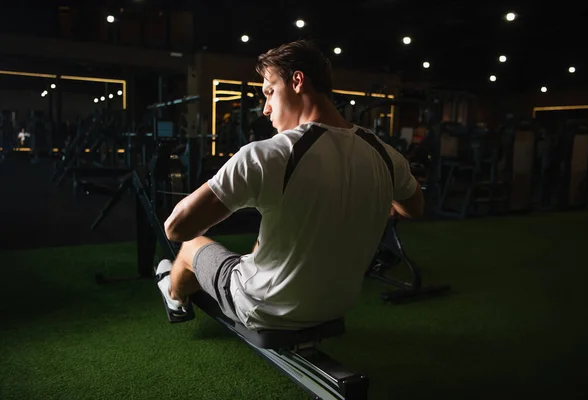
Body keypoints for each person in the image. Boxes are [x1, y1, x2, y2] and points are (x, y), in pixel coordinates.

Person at [155, 39, 424, 330]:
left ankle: (174, 296)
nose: (266, 109)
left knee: (191, 246)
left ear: (297, 81)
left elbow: (175, 228)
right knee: (261, 246)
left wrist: (220, 182)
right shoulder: (386, 154)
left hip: (265, 307)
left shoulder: (267, 154)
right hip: (339, 304)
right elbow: (414, 208)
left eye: (270, 92)